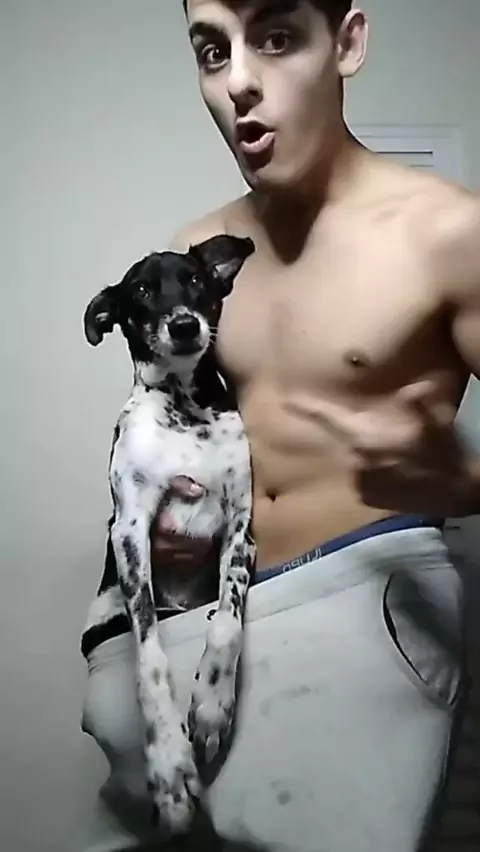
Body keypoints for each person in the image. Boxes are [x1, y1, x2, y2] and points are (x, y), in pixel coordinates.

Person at [80, 2, 480, 850]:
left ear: (347, 42)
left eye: (275, 37)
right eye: (210, 50)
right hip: (208, 617)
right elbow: (185, 435)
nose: (239, 82)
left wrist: (466, 479)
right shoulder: (201, 251)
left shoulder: (451, 234)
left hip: (362, 598)